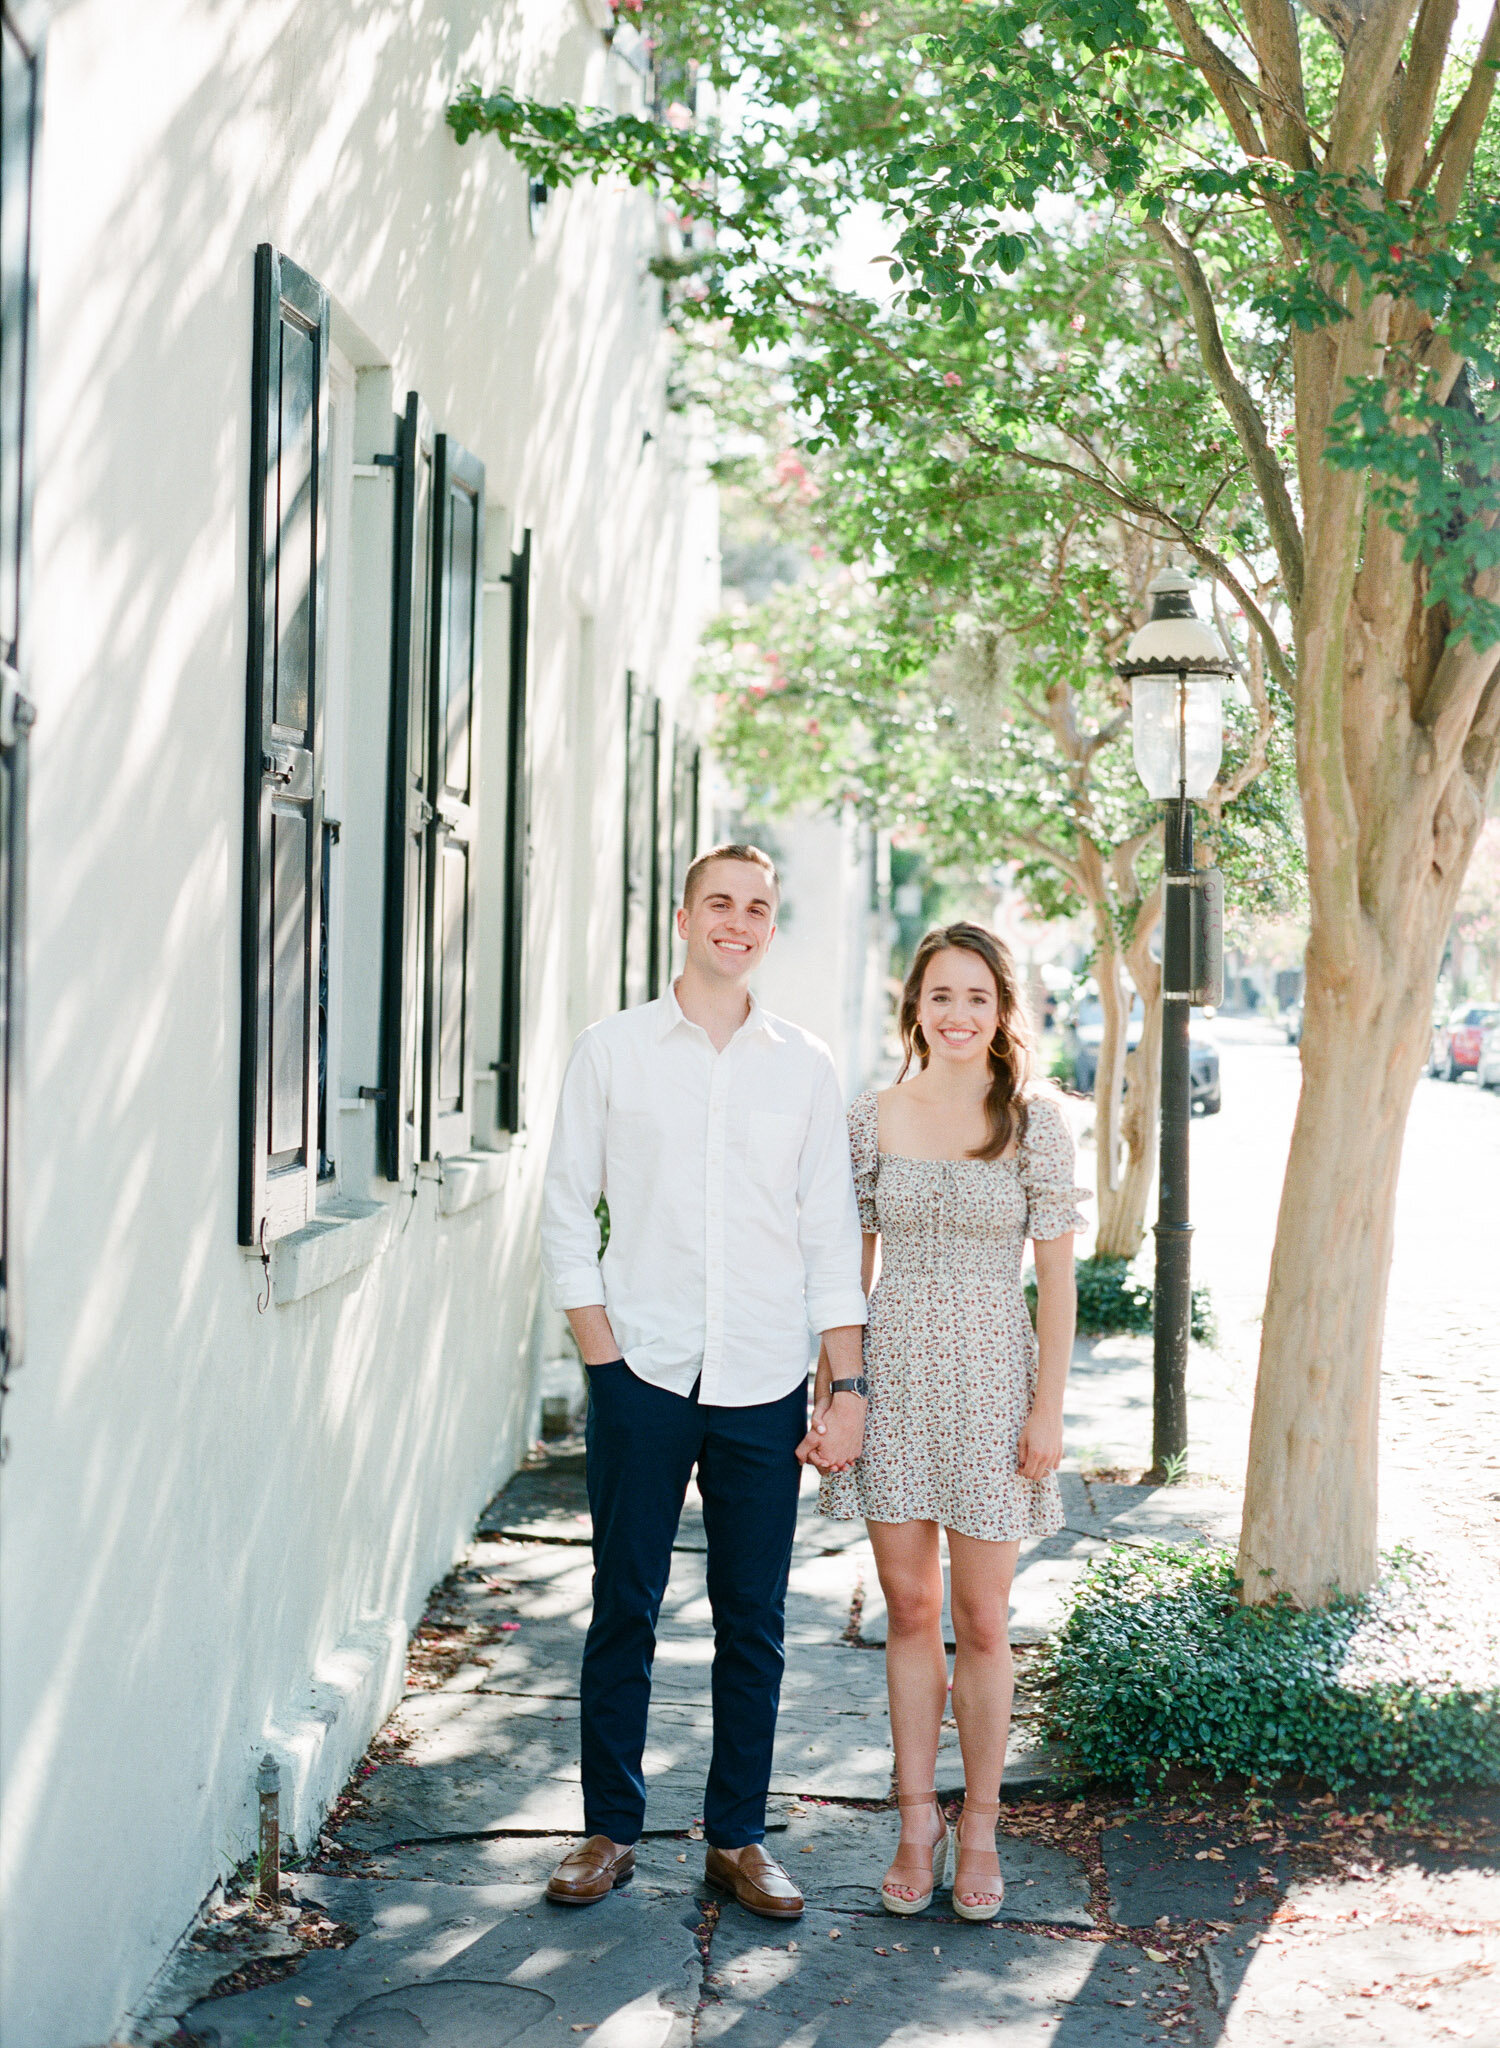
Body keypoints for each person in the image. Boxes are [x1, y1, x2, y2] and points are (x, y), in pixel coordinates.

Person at [538, 842, 869, 1919]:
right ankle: (608, 1828)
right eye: (719, 901)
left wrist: (845, 1383)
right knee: (624, 1603)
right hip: (643, 1365)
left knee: (754, 1618)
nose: (738, 919)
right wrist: (603, 1354)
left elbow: (828, 1231)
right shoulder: (614, 1050)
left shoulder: (802, 1062)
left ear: (772, 928)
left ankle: (737, 1836)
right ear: (682, 917)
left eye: (758, 906)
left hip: (766, 1374)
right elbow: (562, 1208)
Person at [813, 923, 1084, 1921]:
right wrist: (836, 1390)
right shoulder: (870, 1113)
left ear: (1002, 1008)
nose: (957, 1013)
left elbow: (1056, 1282)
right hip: (894, 1375)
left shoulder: (1036, 1122)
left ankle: (980, 1824)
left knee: (981, 1616)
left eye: (976, 995)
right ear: (914, 1006)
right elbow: (847, 1266)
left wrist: (1048, 1406)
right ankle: (915, 1817)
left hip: (991, 1378)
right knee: (910, 1608)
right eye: (940, 994)